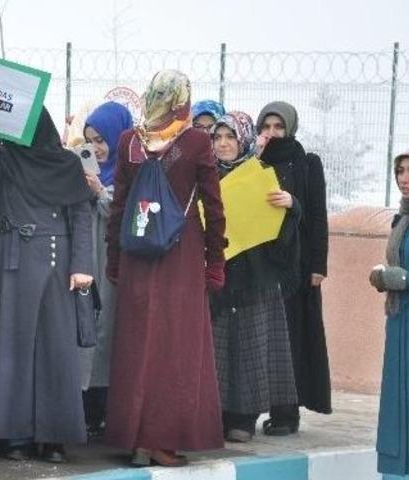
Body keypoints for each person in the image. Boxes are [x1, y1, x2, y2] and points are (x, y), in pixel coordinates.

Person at [104, 70, 226, 467]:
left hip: (138, 250)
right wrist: (215, 263)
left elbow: (119, 206)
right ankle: (162, 441)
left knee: (138, 344)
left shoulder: (128, 141)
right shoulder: (194, 141)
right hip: (181, 251)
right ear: (182, 100)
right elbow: (214, 206)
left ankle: (136, 438)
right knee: (176, 347)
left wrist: (114, 259)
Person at [0, 85, 94, 462]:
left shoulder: (68, 164)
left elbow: (81, 215)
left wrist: (82, 266)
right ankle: (14, 435)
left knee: (55, 350)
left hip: (56, 264)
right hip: (11, 259)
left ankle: (54, 435)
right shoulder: (6, 158)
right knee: (11, 348)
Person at [209, 111, 299, 443]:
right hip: (217, 278)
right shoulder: (204, 176)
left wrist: (291, 205)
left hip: (254, 279)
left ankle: (243, 417)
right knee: (216, 347)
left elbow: (285, 224)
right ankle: (214, 413)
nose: (223, 144)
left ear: (243, 139)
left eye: (230, 137)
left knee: (250, 346)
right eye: (217, 138)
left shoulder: (262, 174)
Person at [256, 101, 331, 435]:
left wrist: (318, 265)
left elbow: (318, 217)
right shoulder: (253, 164)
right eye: (266, 127)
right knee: (266, 337)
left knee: (292, 338)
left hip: (297, 267)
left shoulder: (306, 163)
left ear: (290, 128)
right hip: (263, 266)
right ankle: (263, 407)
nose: (272, 134)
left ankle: (287, 413)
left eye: (278, 127)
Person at [371, 142, 409, 478]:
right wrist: (384, 277)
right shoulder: (403, 218)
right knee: (404, 406)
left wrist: (406, 279)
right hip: (403, 320)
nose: (404, 179)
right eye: (400, 171)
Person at [79, 101, 133, 436]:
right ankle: (87, 407)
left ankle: (108, 406)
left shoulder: (132, 170)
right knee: (87, 333)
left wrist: (100, 191)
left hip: (115, 265)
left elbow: (127, 211)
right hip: (88, 263)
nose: (96, 148)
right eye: (90, 141)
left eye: (101, 139)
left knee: (111, 332)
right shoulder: (87, 173)